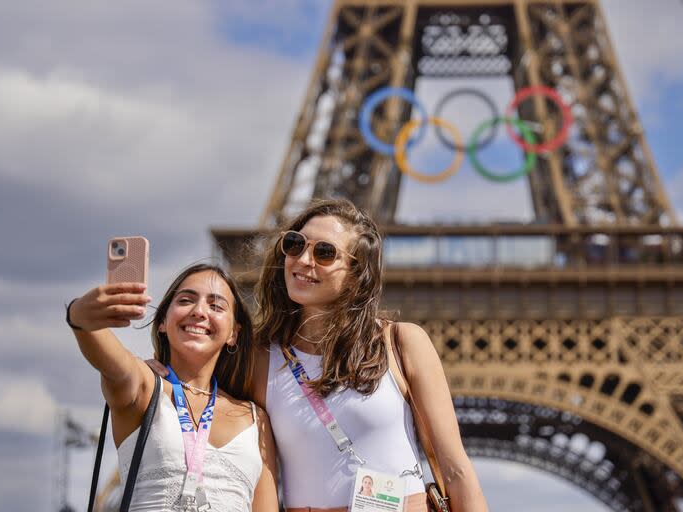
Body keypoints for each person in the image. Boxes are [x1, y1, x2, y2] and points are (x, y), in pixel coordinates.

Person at [247, 199, 488, 512]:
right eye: (294, 245)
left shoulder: (401, 343)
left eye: (324, 252)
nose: (304, 259)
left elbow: (456, 470)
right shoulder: (260, 359)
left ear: (356, 272)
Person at [67, 263, 279, 512]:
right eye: (186, 300)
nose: (199, 311)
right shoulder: (144, 388)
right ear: (163, 322)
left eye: (216, 306)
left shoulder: (255, 419)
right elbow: (114, 364)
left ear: (233, 332)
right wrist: (78, 316)